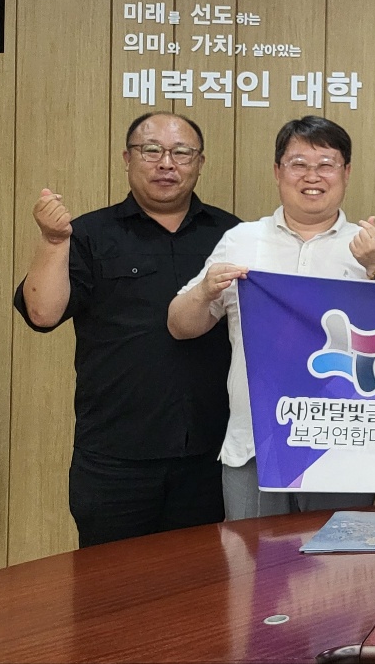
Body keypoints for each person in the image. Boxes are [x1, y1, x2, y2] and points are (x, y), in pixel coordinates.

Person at [12, 112, 238, 547]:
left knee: (201, 584)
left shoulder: (233, 235)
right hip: (115, 455)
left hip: (210, 453)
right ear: (127, 158)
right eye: (151, 150)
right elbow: (42, 314)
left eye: (181, 152)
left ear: (200, 162)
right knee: (109, 585)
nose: (166, 163)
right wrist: (53, 241)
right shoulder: (90, 234)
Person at [167, 116, 375, 521]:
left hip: (343, 445)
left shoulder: (373, 247)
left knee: (338, 559)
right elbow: (180, 325)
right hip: (255, 440)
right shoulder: (241, 240)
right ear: (278, 171)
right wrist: (205, 289)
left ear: (346, 172)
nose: (312, 176)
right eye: (298, 164)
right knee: (249, 557)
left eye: (326, 164)